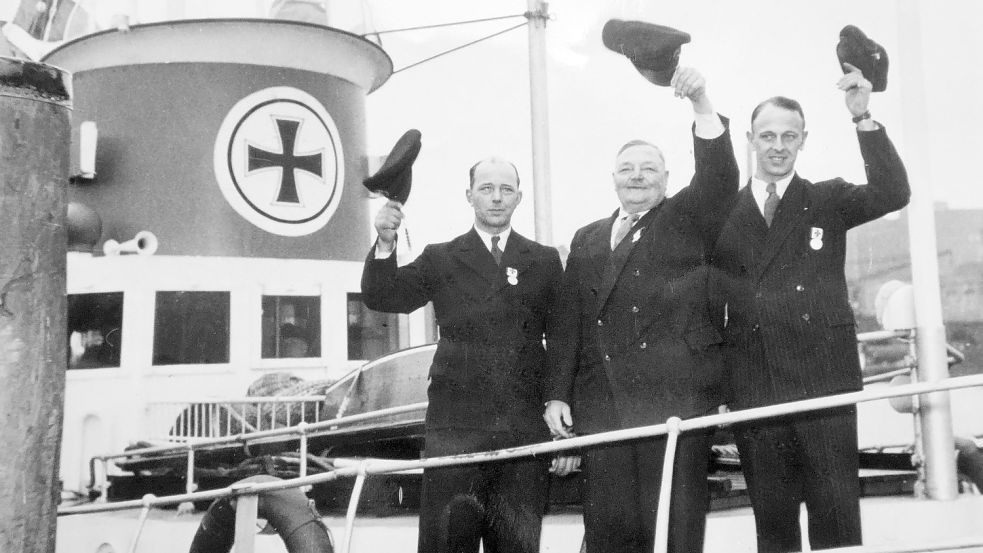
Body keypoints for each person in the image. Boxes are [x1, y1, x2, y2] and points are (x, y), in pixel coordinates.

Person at [711, 64, 910, 552]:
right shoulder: (721, 215)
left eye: (789, 136)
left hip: (825, 384)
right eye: (768, 136)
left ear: (803, 140)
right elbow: (709, 308)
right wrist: (717, 388)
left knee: (836, 515)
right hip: (756, 387)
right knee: (773, 523)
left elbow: (892, 192)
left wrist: (863, 118)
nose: (778, 146)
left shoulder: (827, 200)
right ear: (750, 140)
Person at [544, 67, 739, 553]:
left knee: (673, 527)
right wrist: (556, 394)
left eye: (649, 168)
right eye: (628, 168)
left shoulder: (684, 219)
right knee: (609, 532)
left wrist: (701, 105)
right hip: (602, 407)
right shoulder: (588, 236)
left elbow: (718, 179)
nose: (637, 176)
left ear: (667, 180)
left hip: (670, 402)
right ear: (612, 178)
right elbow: (570, 321)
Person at [361, 158, 567, 553]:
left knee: (516, 545)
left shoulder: (542, 260)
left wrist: (560, 415)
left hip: (521, 430)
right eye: (486, 188)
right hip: (455, 429)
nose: (496, 198)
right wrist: (385, 243)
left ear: (519, 198)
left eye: (506, 190)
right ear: (469, 196)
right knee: (448, 542)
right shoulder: (441, 257)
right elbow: (385, 296)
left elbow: (561, 340)